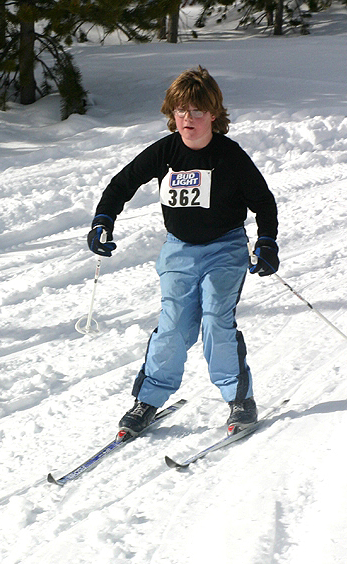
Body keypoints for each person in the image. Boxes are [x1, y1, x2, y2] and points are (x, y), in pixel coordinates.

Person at [87, 66, 279, 436]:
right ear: (171, 114)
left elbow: (263, 202)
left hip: (225, 249)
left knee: (214, 319)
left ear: (213, 115)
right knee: (173, 325)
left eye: (197, 111)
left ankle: (239, 399)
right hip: (179, 251)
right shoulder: (164, 151)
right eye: (180, 111)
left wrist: (266, 241)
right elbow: (120, 185)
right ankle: (148, 401)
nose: (187, 119)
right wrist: (102, 221)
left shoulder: (230, 155)